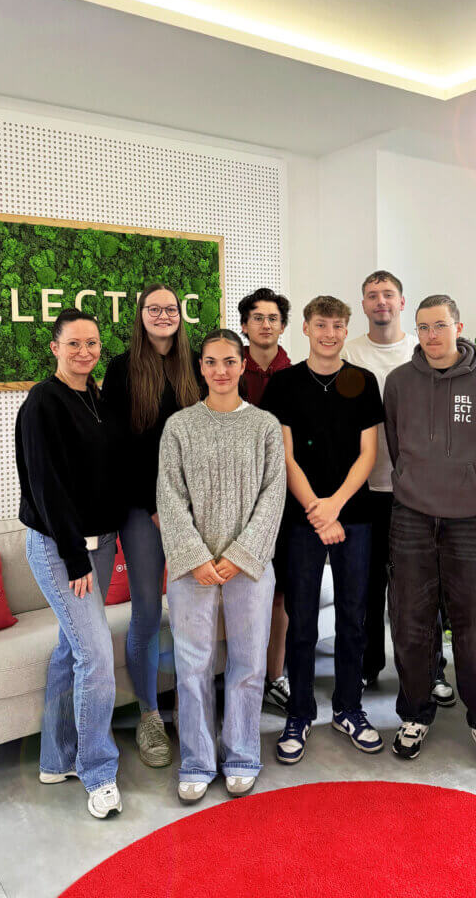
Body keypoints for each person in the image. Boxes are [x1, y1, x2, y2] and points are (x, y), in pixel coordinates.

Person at [157, 329, 286, 802]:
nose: (220, 370)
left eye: (229, 361)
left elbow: (274, 495)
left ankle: (242, 754)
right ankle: (196, 760)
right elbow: (169, 498)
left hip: (248, 568)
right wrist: (195, 558)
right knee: (192, 666)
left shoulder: (265, 426)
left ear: (241, 364)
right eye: (211, 362)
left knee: (249, 664)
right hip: (193, 569)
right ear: (201, 368)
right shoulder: (180, 427)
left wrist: (238, 556)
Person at [384, 294, 476, 767]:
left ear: (458, 326)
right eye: (423, 327)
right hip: (412, 517)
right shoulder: (398, 383)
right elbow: (397, 448)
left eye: (440, 325)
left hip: (470, 521)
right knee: (410, 623)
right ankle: (415, 714)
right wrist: (418, 486)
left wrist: (471, 491)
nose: (431, 336)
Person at [261, 295, 385, 765]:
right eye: (320, 325)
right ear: (306, 330)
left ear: (345, 328)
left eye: (337, 325)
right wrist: (316, 507)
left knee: (355, 616)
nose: (329, 333)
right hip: (301, 517)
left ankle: (349, 708)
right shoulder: (285, 385)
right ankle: (299, 713)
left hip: (354, 515)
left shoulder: (363, 381)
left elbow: (368, 455)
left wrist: (335, 506)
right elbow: (285, 456)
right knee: (302, 619)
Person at [15, 308, 125, 819]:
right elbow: (47, 486)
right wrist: (76, 557)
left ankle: (56, 758)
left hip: (99, 545)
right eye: (74, 343)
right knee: (96, 658)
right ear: (54, 348)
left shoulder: (94, 397)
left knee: (70, 648)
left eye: (93, 343)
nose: (85, 352)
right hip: (64, 550)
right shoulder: (44, 402)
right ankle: (98, 770)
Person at [343, 270, 454, 706]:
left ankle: (432, 672)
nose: (380, 302)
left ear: (402, 302)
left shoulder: (421, 349)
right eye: (372, 296)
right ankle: (369, 667)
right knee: (366, 586)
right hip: (365, 489)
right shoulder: (349, 354)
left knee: (422, 589)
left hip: (418, 492)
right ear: (364, 305)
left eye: (388, 295)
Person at [102, 283, 200, 768]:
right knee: (146, 611)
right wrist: (157, 501)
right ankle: (149, 715)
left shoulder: (197, 363)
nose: (163, 315)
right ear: (139, 316)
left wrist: (187, 502)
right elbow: (120, 449)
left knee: (192, 607)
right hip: (142, 509)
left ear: (181, 316)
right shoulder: (121, 369)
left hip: (192, 506)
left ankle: (192, 707)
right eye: (153, 308)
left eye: (171, 308)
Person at [238, 287, 293, 713]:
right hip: (234, 498)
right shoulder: (227, 367)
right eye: (257, 317)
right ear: (245, 326)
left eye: (273, 317)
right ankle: (239, 677)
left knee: (279, 592)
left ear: (282, 325)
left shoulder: (295, 373)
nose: (265, 324)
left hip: (283, 496)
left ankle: (274, 676)